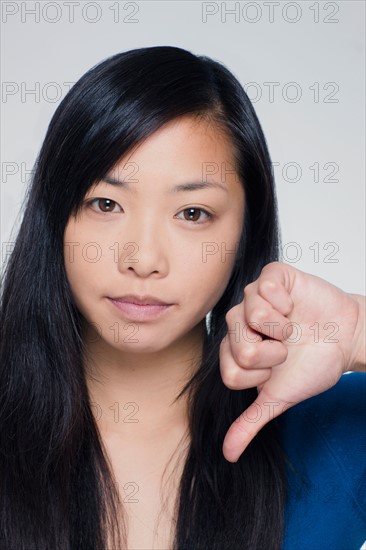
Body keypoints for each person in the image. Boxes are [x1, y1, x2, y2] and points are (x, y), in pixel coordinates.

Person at [0, 45, 365, 550]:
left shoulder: (331, 434)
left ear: (244, 232)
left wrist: (356, 332)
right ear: (56, 218)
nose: (144, 258)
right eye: (106, 204)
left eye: (192, 213)